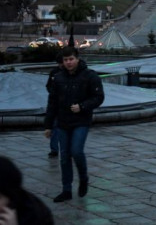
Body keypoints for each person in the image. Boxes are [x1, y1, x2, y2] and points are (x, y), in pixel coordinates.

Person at [44, 46, 104, 203]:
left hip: (81, 121)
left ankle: (83, 178)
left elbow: (98, 97)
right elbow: (52, 103)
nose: (68, 62)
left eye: (71, 59)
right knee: (64, 157)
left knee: (76, 151)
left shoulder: (89, 76)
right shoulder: (58, 77)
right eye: (65, 60)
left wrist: (82, 106)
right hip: (63, 122)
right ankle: (66, 190)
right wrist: (48, 125)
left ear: (77, 59)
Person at [45, 56, 64, 158]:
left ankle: (66, 149)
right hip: (56, 104)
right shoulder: (54, 72)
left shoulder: (70, 73)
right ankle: (54, 149)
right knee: (55, 127)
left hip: (66, 105)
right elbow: (48, 85)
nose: (61, 65)